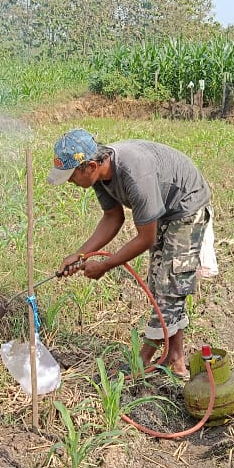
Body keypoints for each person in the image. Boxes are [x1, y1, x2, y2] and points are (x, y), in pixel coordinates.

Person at [49, 128, 213, 377]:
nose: (70, 182)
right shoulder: (100, 175)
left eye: (71, 176)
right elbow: (113, 217)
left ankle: (142, 360)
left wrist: (105, 265)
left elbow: (146, 238)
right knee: (161, 283)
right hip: (164, 207)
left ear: (91, 166)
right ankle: (176, 358)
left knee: (170, 285)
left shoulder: (135, 175)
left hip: (185, 206)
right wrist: (80, 254)